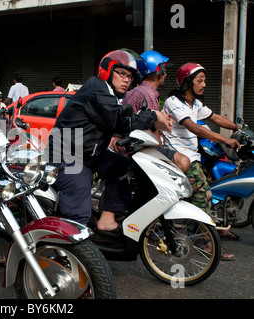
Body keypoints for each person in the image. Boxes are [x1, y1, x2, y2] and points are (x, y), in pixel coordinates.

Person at [46, 49, 174, 234]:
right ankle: (63, 255)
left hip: (89, 152)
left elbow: (122, 117)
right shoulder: (97, 89)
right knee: (78, 218)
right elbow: (120, 121)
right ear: (107, 70)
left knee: (120, 165)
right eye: (121, 73)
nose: (126, 80)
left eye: (130, 76)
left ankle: (106, 220)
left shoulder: (111, 95)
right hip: (70, 156)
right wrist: (154, 114)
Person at [162, 62, 241, 260]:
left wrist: (237, 128)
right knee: (204, 197)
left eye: (204, 80)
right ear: (187, 83)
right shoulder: (174, 102)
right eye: (200, 81)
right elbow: (195, 128)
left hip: (194, 157)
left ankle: (211, 228)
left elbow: (215, 118)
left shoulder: (195, 104)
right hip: (180, 157)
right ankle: (209, 243)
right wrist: (225, 139)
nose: (204, 84)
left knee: (212, 190)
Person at [121, 50, 190, 173]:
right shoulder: (148, 94)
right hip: (137, 150)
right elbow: (153, 128)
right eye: (164, 70)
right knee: (183, 161)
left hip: (129, 147)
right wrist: (161, 153)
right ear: (160, 72)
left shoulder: (138, 90)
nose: (166, 74)